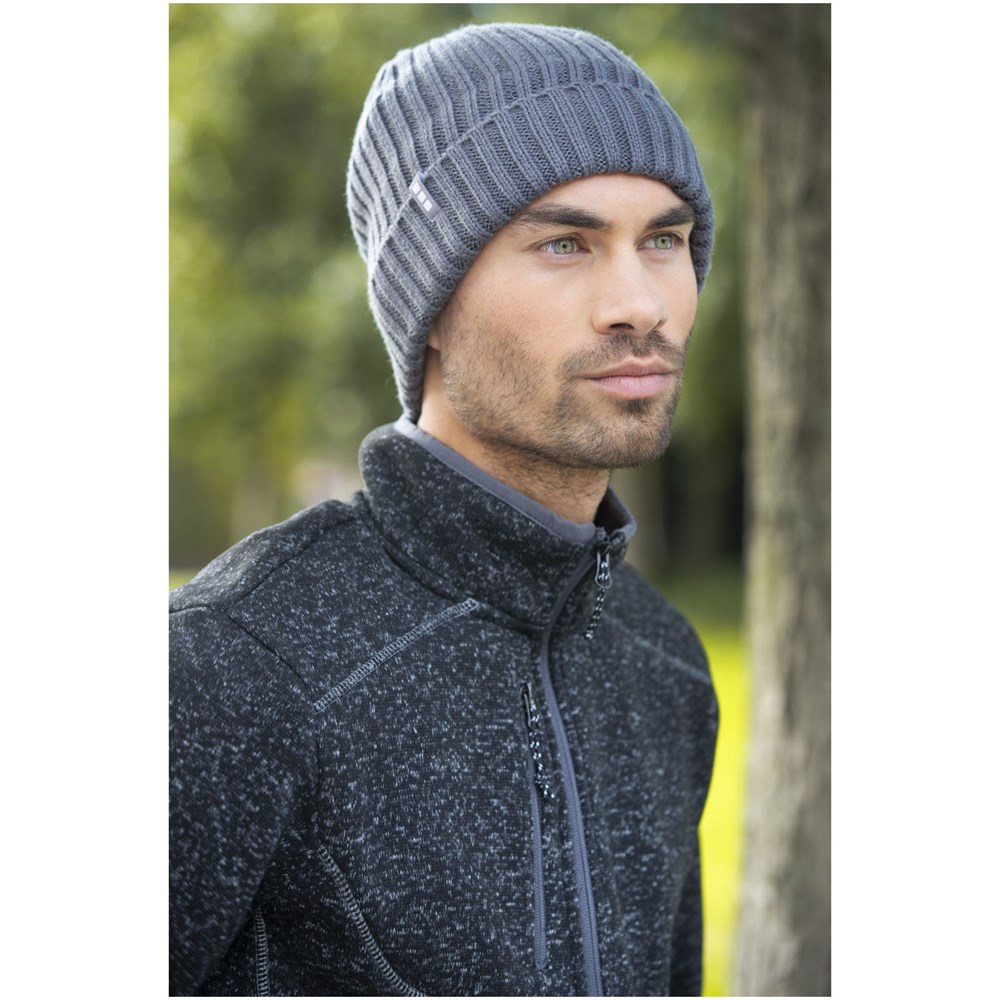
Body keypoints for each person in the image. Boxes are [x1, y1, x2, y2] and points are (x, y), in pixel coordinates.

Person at [170, 21, 719, 997]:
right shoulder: (231, 666)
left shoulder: (665, 665)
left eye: (664, 240)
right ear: (429, 299)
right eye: (565, 243)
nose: (640, 303)